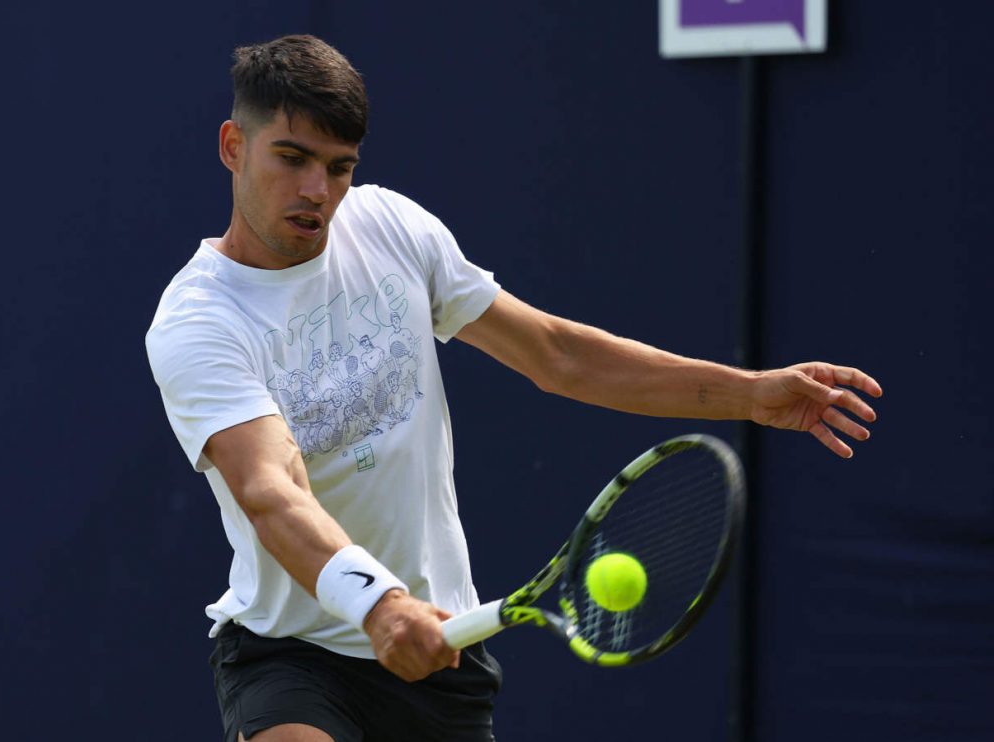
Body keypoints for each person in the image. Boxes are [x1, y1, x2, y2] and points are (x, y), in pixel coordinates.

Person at [144, 34, 882, 742]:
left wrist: (748, 394)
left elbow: (557, 355)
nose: (317, 191)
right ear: (233, 148)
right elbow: (275, 489)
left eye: (340, 168)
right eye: (292, 157)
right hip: (291, 650)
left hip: (440, 647)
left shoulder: (393, 228)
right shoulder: (199, 322)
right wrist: (379, 605)